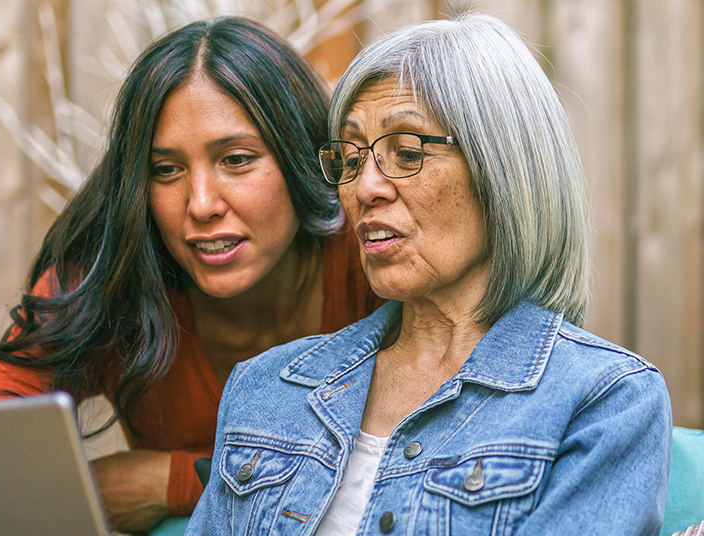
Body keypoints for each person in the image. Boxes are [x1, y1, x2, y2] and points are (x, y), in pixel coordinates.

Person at [0, 16, 384, 536]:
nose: (202, 204)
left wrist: (169, 482)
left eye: (236, 160)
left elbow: (429, 470)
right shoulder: (114, 274)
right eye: (165, 169)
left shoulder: (368, 253)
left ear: (300, 157)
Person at [187, 13, 672, 536]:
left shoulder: (605, 400)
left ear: (503, 169)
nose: (365, 187)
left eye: (408, 152)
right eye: (350, 158)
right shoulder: (265, 388)